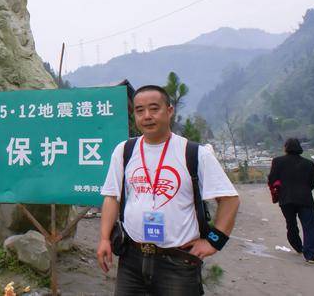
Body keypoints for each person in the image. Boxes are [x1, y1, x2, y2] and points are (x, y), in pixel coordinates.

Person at [97, 85, 240, 295]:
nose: (147, 116)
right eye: (139, 110)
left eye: (154, 109)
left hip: (178, 262)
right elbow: (112, 197)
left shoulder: (194, 153)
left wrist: (214, 242)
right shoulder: (125, 150)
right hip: (131, 259)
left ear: (170, 111)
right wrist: (104, 239)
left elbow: (229, 200)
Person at [268, 138, 314, 263]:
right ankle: (310, 255)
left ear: (286, 147)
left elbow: (272, 179)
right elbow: (313, 182)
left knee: (291, 224)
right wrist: (305, 189)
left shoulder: (278, 161)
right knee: (310, 226)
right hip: (305, 199)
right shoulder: (308, 163)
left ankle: (298, 247)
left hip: (286, 199)